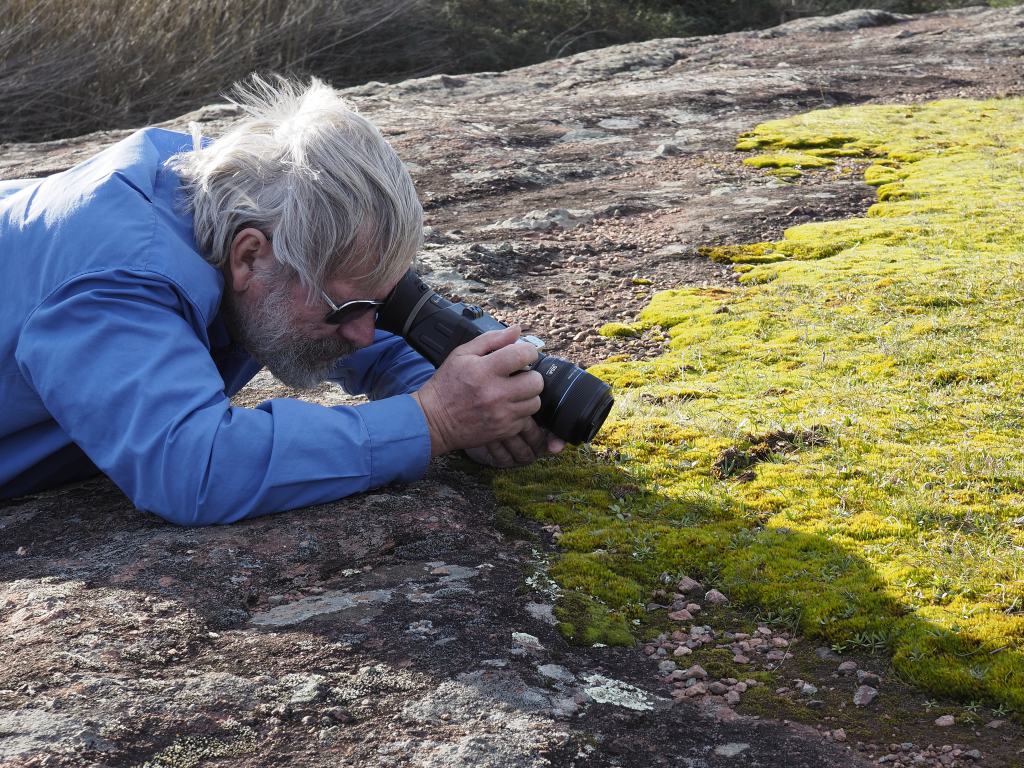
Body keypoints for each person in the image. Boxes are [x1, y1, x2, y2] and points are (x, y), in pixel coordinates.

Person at [0, 76, 564, 525]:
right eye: (348, 311)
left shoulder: (247, 201)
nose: (367, 333)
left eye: (381, 303)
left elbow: (377, 332)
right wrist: (433, 422)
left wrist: (495, 397)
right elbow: (194, 467)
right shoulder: (118, 281)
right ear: (249, 257)